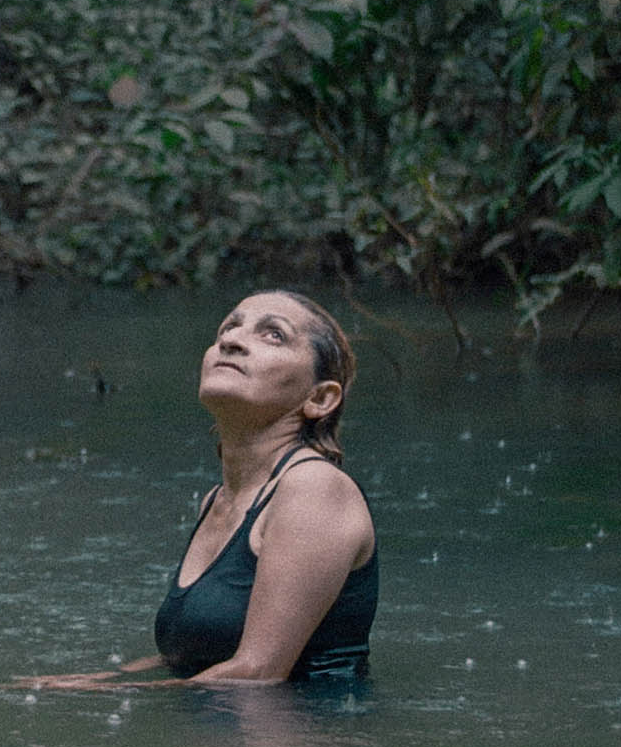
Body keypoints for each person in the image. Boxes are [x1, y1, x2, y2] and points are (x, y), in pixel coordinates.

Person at [23, 289, 376, 688]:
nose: (231, 340)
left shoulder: (315, 490)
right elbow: (196, 653)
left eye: (273, 334)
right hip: (223, 732)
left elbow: (259, 673)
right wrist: (103, 676)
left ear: (319, 398)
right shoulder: (218, 500)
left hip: (300, 740)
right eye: (229, 327)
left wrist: (105, 692)